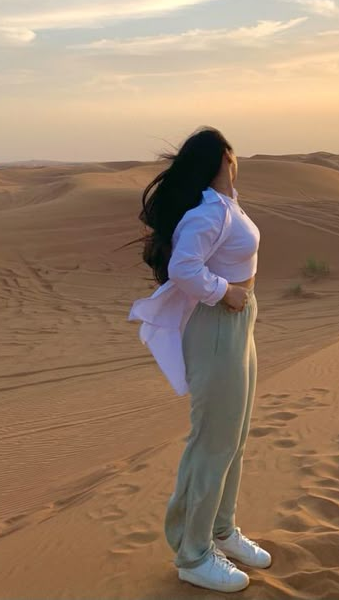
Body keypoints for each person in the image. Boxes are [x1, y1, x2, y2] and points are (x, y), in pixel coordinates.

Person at [126, 126, 272, 592]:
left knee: (235, 436)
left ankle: (222, 532)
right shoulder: (208, 212)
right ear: (224, 158)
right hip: (215, 327)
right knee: (213, 441)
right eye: (233, 153)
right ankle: (193, 554)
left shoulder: (228, 206)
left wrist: (238, 298)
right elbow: (183, 268)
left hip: (238, 322)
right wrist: (225, 293)